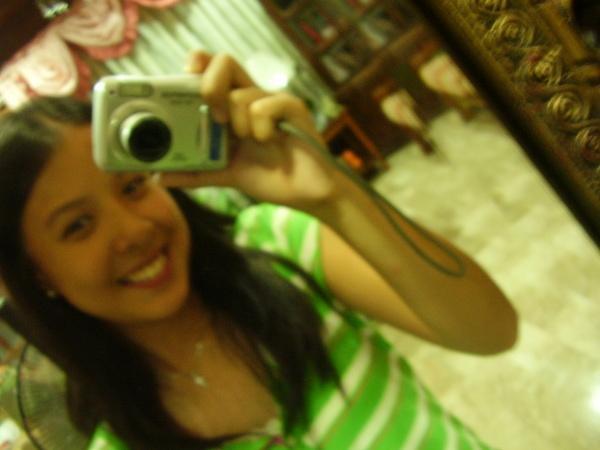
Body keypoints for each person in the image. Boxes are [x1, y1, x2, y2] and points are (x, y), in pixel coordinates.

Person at [0, 52, 517, 450]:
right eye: (78, 226)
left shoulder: (274, 243)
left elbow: (491, 330)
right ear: (36, 272)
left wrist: (335, 196)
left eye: (133, 185)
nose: (134, 230)